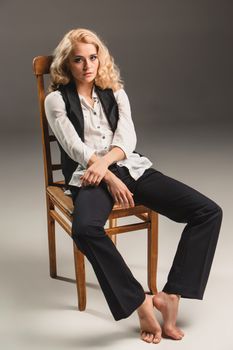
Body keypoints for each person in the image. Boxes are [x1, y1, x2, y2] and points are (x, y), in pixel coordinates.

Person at [44, 28, 223, 344]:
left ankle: (172, 295)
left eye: (93, 57)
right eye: (78, 60)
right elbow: (74, 147)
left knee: (208, 212)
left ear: (101, 58)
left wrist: (110, 166)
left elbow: (127, 140)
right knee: (85, 229)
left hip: (130, 169)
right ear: (67, 64)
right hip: (89, 178)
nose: (88, 65)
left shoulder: (116, 92)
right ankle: (139, 301)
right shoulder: (56, 100)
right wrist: (106, 175)